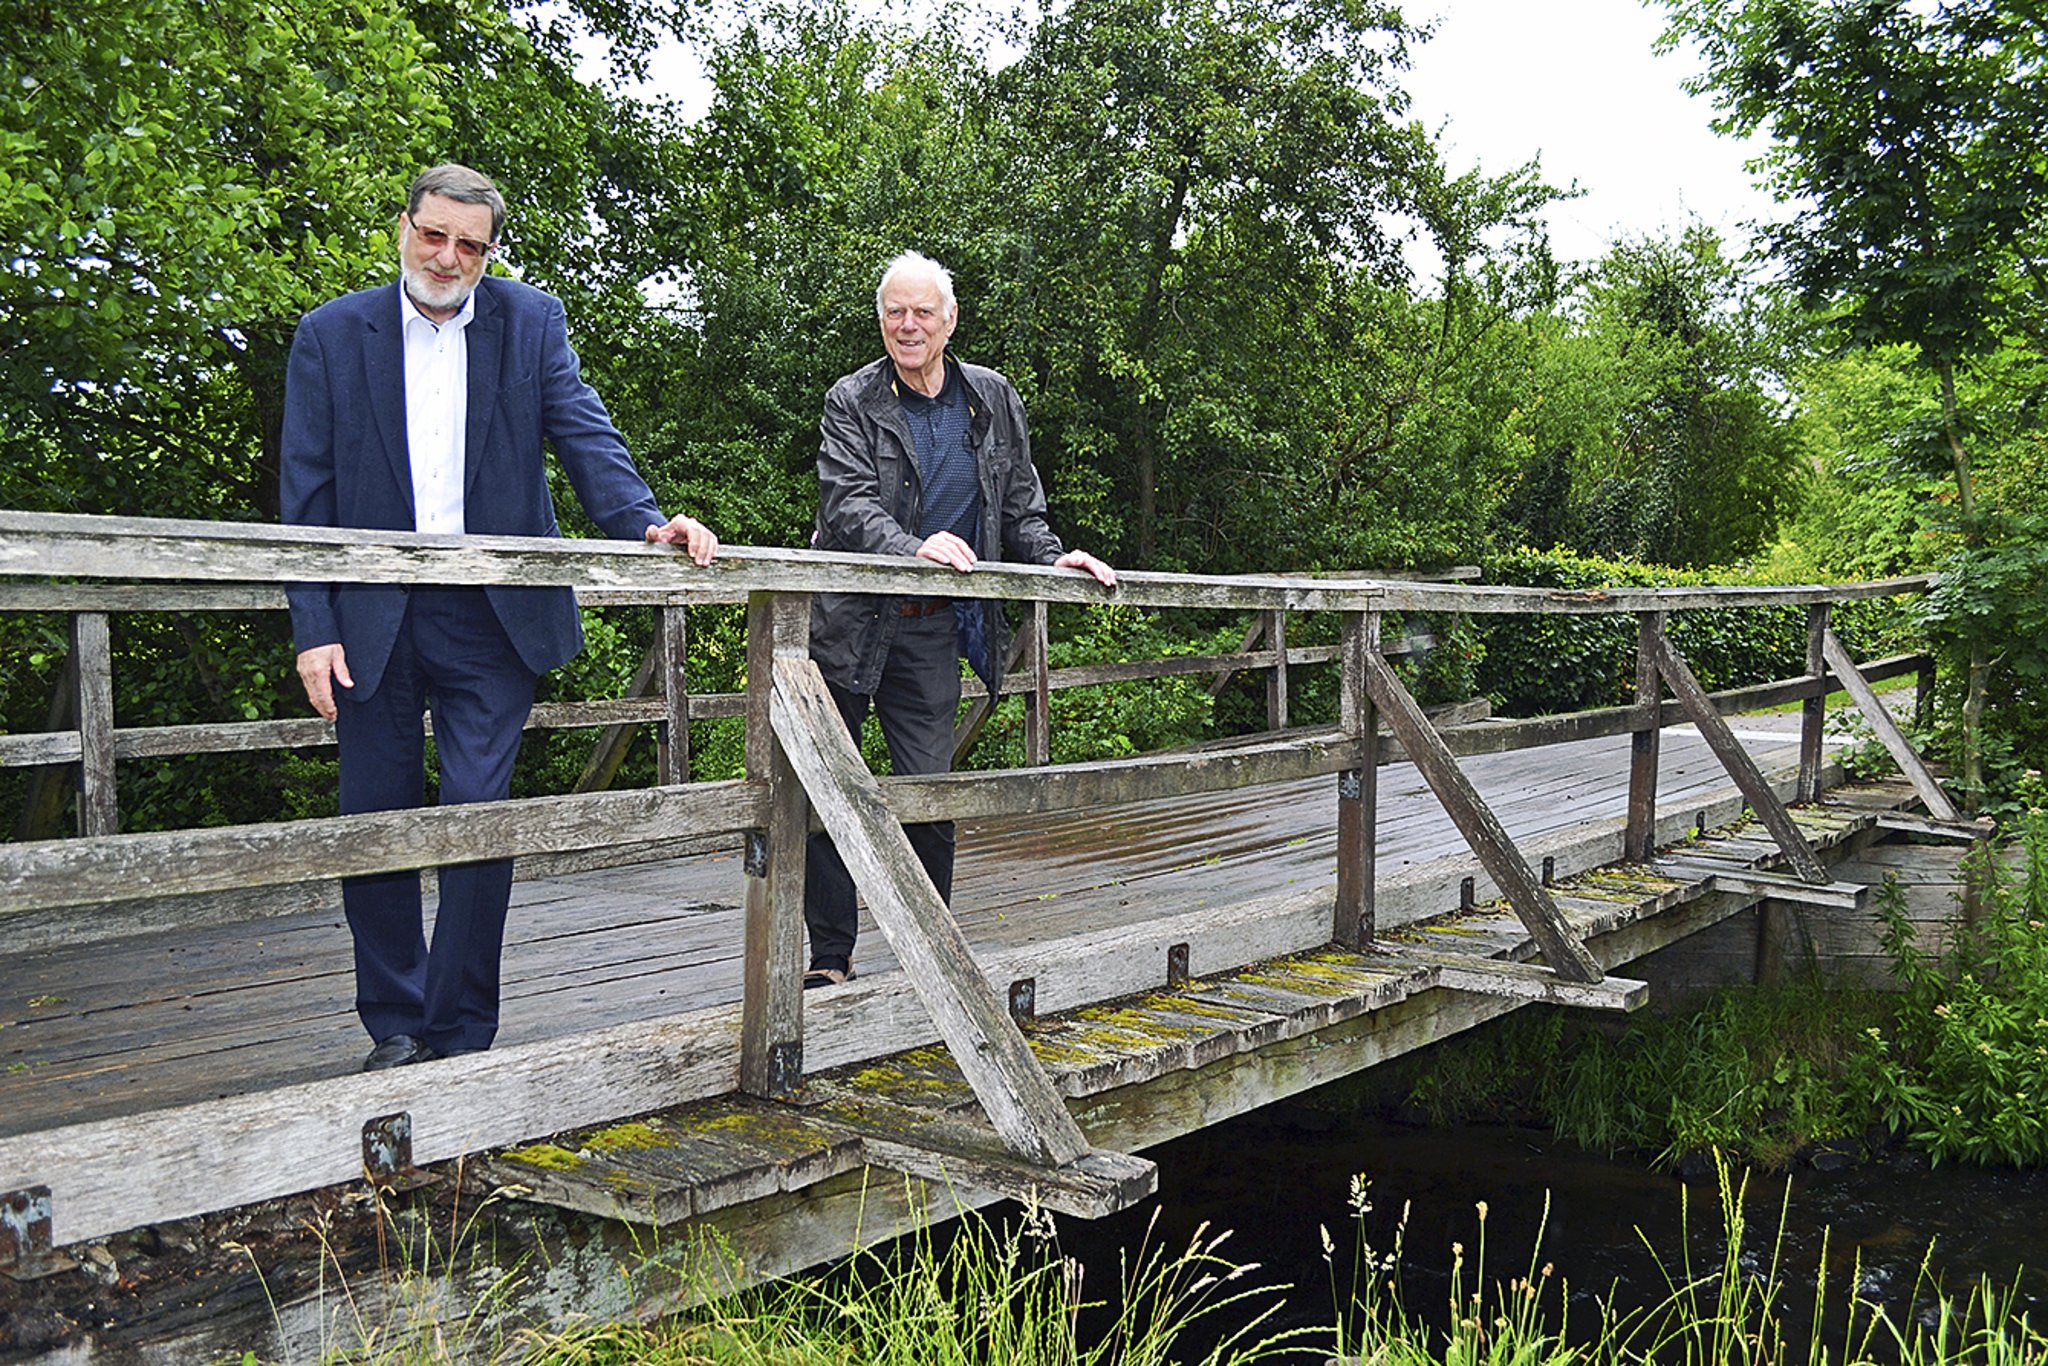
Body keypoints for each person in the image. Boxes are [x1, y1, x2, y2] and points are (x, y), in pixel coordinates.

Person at [281, 163, 718, 1071]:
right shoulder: (331, 335)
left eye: (470, 245)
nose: (448, 257)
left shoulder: (532, 323)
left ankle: (458, 1031)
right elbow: (306, 492)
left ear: (489, 252)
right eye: (434, 235)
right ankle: (396, 1023)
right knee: (376, 819)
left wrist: (646, 522)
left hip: (494, 614)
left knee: (481, 816)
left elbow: (585, 433)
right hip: (370, 614)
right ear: (405, 227)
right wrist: (312, 626)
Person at [802, 250, 1115, 988]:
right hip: (849, 620)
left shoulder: (992, 398)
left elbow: (1019, 507)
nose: (907, 325)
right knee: (828, 789)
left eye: (922, 312)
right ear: (882, 321)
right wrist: (912, 547)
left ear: (950, 321)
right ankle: (830, 956)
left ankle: (930, 951)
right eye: (894, 312)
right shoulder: (852, 400)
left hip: (932, 624)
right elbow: (846, 504)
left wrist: (1054, 558)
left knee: (930, 793)